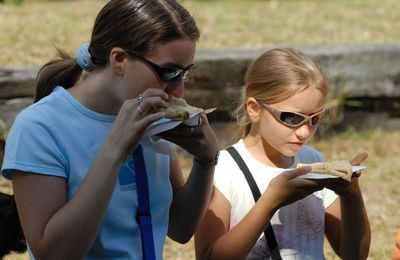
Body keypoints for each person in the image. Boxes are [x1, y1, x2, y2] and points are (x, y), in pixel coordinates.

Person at [1, 0, 219, 259]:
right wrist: (115, 149)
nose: (179, 90)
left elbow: (180, 229)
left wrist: (206, 160)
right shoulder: (40, 127)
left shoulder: (153, 117)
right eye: (169, 72)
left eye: (186, 73)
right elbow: (53, 254)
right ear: (119, 60)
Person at [195, 48, 371, 259]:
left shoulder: (312, 160)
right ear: (254, 109)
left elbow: (355, 254)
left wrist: (351, 194)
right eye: (291, 119)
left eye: (314, 119)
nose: (305, 132)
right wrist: (271, 201)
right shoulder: (223, 170)